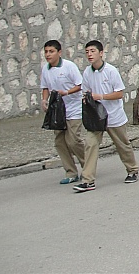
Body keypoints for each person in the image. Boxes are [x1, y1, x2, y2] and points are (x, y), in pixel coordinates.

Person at [74, 40, 139, 192]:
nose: (89, 54)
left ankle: (132, 170)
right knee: (90, 144)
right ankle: (88, 179)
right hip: (96, 117)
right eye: (87, 52)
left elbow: (119, 93)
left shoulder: (111, 71)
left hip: (113, 116)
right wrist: (87, 99)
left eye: (92, 51)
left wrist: (100, 96)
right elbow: (86, 91)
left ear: (101, 53)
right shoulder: (87, 73)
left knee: (122, 145)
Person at [40, 40, 86, 184]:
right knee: (60, 142)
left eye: (51, 51)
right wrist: (44, 100)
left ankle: (88, 166)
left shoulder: (69, 66)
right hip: (57, 111)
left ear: (59, 53)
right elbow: (45, 87)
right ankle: (71, 172)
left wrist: (66, 92)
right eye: (46, 52)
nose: (48, 55)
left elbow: (80, 84)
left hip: (74, 108)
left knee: (73, 140)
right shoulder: (45, 69)